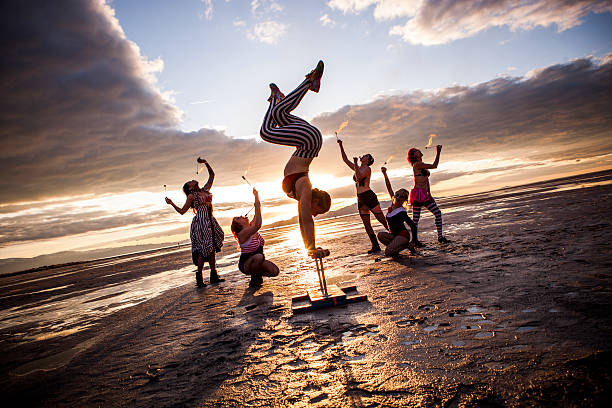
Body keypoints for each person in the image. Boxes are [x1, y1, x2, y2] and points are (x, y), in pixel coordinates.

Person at [259, 60, 331, 259]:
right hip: (309, 141)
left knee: (278, 114)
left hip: (307, 141)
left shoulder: (301, 191)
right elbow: (306, 220)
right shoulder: (306, 189)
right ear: (315, 200)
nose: (314, 214)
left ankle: (277, 97)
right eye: (318, 210)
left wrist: (310, 247)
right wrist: (311, 247)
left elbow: (304, 218)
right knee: (266, 132)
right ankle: (310, 83)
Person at [166, 158, 225, 287]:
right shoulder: (192, 196)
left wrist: (206, 163)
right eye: (190, 182)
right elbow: (182, 211)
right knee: (203, 250)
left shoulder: (204, 190)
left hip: (210, 220)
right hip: (201, 223)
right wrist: (171, 204)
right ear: (190, 188)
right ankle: (199, 278)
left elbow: (212, 175)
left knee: (212, 248)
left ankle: (214, 275)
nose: (192, 180)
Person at [337, 140, 389, 253]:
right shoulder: (358, 167)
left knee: (382, 220)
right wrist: (341, 145)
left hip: (368, 195)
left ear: (368, 160)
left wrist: (355, 163)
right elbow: (345, 160)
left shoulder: (367, 169)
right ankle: (375, 245)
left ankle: (396, 236)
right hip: (360, 197)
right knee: (366, 224)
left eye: (366, 156)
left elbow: (359, 177)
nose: (363, 155)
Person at [231, 188, 280, 287]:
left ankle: (257, 273)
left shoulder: (250, 226)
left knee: (275, 271)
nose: (241, 216)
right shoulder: (242, 234)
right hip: (246, 264)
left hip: (259, 261)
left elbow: (257, 217)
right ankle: (254, 279)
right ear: (238, 226)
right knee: (259, 256)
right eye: (238, 218)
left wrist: (256, 197)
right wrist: (257, 201)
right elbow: (258, 225)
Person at [407, 145, 449, 243]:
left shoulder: (421, 165)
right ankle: (414, 240)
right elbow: (434, 165)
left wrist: (429, 194)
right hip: (418, 194)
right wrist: (438, 152)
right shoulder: (417, 164)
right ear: (414, 155)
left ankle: (440, 237)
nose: (419, 150)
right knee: (416, 220)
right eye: (416, 151)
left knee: (437, 213)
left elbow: (426, 181)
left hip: (424, 194)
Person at [377, 166, 418, 257]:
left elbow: (413, 226)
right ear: (395, 196)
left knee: (388, 253)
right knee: (380, 235)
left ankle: (405, 245)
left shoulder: (402, 211)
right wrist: (384, 174)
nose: (399, 197)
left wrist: (414, 241)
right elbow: (388, 186)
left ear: (405, 200)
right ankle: (398, 246)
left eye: (402, 196)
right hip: (394, 236)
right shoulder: (392, 204)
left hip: (403, 236)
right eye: (398, 195)